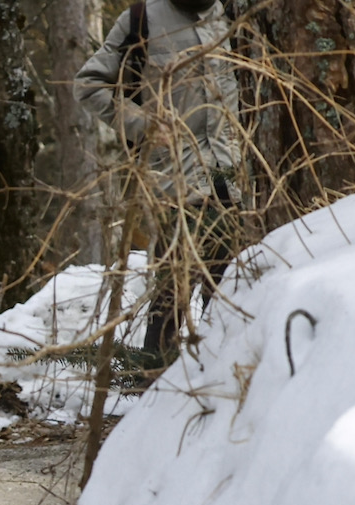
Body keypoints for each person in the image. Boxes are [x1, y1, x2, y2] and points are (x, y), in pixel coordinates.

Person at [74, 0, 244, 366]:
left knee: (230, 279)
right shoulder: (141, 20)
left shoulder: (234, 12)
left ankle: (225, 368)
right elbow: (89, 85)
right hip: (175, 178)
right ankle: (154, 378)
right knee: (174, 285)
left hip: (233, 172)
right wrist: (143, 125)